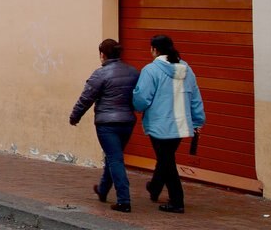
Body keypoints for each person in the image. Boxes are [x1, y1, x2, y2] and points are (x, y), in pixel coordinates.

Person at [133, 35, 205, 214]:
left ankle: (177, 200)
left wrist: (136, 106)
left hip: (159, 125)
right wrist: (197, 120)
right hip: (181, 126)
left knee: (167, 161)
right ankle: (155, 187)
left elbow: (142, 98)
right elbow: (195, 98)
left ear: (154, 49)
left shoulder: (150, 70)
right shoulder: (187, 70)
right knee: (165, 158)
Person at [69, 39, 140, 212]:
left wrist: (75, 116)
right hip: (127, 122)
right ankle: (102, 190)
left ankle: (124, 200)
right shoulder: (133, 72)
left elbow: (86, 98)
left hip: (107, 124)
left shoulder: (100, 74)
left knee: (115, 158)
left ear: (103, 54)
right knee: (113, 155)